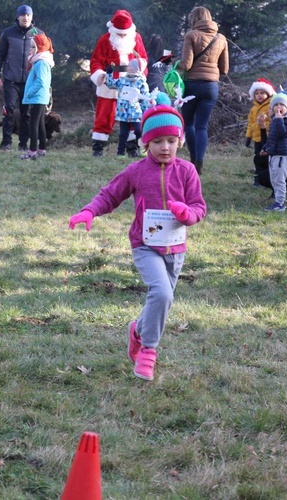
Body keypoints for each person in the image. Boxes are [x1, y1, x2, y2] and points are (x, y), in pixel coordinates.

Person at [68, 95, 206, 381]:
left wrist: (187, 214)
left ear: (180, 140)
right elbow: (110, 194)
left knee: (163, 300)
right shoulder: (137, 171)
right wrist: (89, 211)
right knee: (162, 293)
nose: (164, 147)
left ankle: (137, 330)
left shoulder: (188, 171)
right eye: (157, 142)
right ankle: (148, 351)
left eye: (170, 140)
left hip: (175, 249)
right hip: (145, 246)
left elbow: (198, 207)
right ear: (145, 143)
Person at [89, 10, 148, 158]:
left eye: (124, 34)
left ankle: (131, 148)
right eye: (119, 34)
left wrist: (139, 70)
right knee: (104, 115)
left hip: (130, 86)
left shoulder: (136, 38)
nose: (122, 36)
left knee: (132, 117)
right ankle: (98, 148)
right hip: (109, 84)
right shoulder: (105, 40)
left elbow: (143, 59)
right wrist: (100, 75)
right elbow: (96, 61)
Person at [179, 6, 229, 174]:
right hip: (211, 87)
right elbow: (225, 69)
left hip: (192, 84)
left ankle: (193, 159)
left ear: (194, 19)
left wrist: (172, 62)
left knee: (189, 124)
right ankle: (200, 160)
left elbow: (186, 64)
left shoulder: (191, 35)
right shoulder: (221, 38)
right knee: (202, 126)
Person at [0, 5, 42, 151]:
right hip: (11, 79)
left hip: (30, 81)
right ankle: (6, 142)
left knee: (26, 113)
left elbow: (45, 56)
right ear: (18, 17)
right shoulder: (8, 33)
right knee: (9, 110)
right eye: (23, 15)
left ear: (31, 17)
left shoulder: (38, 34)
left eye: (28, 15)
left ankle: (23, 143)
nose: (25, 18)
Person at [105, 58, 149, 158]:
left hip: (136, 113)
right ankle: (120, 153)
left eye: (130, 66)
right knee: (123, 133)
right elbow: (111, 84)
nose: (127, 67)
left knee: (139, 131)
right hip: (123, 113)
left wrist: (145, 111)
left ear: (136, 69)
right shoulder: (122, 80)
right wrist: (109, 73)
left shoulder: (141, 82)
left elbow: (145, 97)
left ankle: (143, 149)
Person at [21, 33, 54, 160]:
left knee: (33, 124)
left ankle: (32, 152)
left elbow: (41, 81)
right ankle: (42, 149)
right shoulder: (39, 61)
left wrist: (29, 93)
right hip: (39, 97)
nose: (30, 50)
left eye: (33, 47)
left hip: (37, 97)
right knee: (39, 124)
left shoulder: (41, 62)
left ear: (40, 48)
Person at [261, 92, 287, 212]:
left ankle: (280, 204)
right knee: (274, 179)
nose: (279, 107)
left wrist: (279, 120)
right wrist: (265, 148)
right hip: (273, 154)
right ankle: (278, 200)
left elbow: (282, 133)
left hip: (282, 155)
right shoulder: (275, 120)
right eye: (276, 105)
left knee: (280, 179)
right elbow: (272, 137)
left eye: (282, 105)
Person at [244, 78, 276, 186]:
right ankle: (257, 179)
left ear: (268, 93)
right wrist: (248, 137)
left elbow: (274, 122)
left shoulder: (271, 106)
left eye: (262, 93)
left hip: (267, 139)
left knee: (268, 159)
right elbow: (250, 123)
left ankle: (268, 179)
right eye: (257, 93)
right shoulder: (253, 108)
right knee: (258, 159)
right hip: (257, 139)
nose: (259, 95)